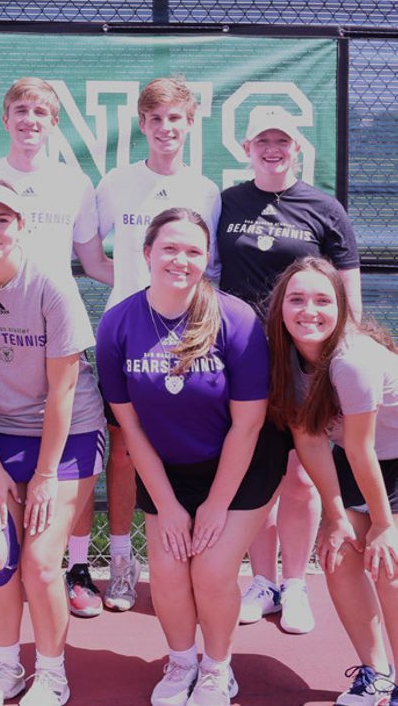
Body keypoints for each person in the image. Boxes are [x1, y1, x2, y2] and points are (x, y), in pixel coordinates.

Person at [96, 208, 283, 705]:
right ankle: (182, 663)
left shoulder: (235, 319)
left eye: (194, 251)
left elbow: (248, 425)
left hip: (240, 469)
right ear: (147, 254)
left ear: (208, 259)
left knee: (212, 570)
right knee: (169, 574)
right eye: (170, 249)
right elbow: (130, 426)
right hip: (167, 472)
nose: (181, 260)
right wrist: (169, 505)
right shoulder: (118, 323)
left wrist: (216, 507)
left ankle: (219, 669)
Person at [0, 180, 106, 706]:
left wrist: (47, 476)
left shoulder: (51, 283)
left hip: (70, 432)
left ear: (21, 226)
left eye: (1, 219)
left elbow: (65, 387)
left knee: (39, 559)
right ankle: (5, 668)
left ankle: (51, 673)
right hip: (2, 436)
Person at [0, 77, 113, 619]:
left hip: (57, 333)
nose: (30, 120)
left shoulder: (75, 185)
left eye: (41, 113)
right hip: (0, 333)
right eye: (21, 110)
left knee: (68, 443)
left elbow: (95, 265)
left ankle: (74, 568)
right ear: (6, 119)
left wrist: (161, 281)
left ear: (54, 124)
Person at [216, 106, 361, 635]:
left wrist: (337, 362)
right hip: (243, 358)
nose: (272, 149)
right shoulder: (226, 202)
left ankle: (295, 584)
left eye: (283, 141)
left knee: (301, 477)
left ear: (297, 147)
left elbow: (348, 293)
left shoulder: (325, 207)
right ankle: (263, 581)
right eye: (262, 141)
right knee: (257, 474)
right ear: (247, 147)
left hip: (304, 363)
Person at [92, 77, 222, 612]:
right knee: (123, 452)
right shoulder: (114, 184)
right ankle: (122, 562)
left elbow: (206, 268)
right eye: (156, 119)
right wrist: (133, 293)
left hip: (191, 339)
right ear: (142, 125)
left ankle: (196, 560)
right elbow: (93, 256)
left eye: (176, 119)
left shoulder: (208, 192)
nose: (166, 129)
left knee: (189, 450)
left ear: (190, 124)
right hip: (128, 339)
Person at [265, 257, 398, 705]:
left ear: (341, 307)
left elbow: (360, 449)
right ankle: (377, 673)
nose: (309, 310)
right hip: (363, 461)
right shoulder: (283, 358)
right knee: (338, 556)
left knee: (389, 568)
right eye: (297, 299)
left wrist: (382, 525)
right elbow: (311, 440)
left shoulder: (352, 361)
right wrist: (336, 517)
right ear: (280, 307)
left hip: (387, 460)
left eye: (323, 300)